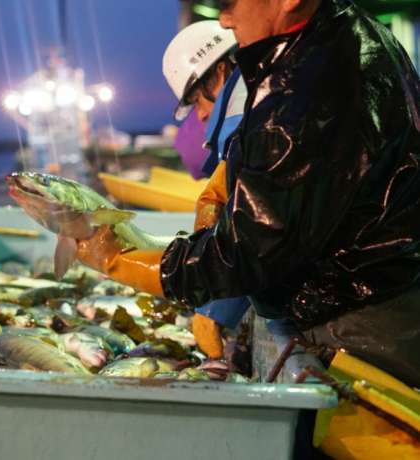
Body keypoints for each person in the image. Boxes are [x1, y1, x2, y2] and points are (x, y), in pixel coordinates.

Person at [75, 0, 420, 387]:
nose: (224, 18)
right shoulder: (344, 41)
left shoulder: (306, 86)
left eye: (229, 3)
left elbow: (248, 249)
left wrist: (123, 263)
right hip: (382, 306)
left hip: (364, 329)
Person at [163, 20, 251, 358]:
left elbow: (256, 224)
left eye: (197, 99)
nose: (199, 116)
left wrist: (215, 309)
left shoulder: (243, 120)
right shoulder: (267, 97)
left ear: (221, 72)